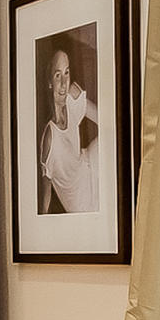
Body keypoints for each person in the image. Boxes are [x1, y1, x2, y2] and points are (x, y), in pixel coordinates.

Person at [40, 44, 99, 214]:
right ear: (49, 82)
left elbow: (106, 120)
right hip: (82, 205)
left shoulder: (71, 99)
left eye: (67, 72)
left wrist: (77, 97)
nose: (64, 83)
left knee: (116, 136)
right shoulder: (49, 138)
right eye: (58, 75)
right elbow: (45, 197)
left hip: (90, 167)